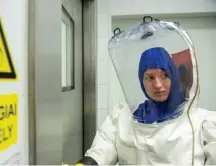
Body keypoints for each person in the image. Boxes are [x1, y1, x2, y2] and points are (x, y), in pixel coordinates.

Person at [76, 47, 216, 165]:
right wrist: (88, 162)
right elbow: (104, 147)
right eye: (149, 77)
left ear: (174, 76)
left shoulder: (201, 122)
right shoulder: (124, 116)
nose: (158, 85)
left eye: (164, 75)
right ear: (141, 81)